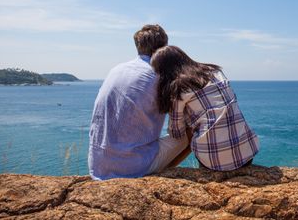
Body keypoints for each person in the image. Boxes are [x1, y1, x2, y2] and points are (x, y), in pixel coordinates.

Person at [88, 25, 190, 180]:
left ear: (138, 46)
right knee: (193, 129)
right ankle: (158, 174)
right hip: (132, 166)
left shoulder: (117, 69)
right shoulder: (161, 75)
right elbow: (177, 127)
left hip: (98, 164)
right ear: (165, 47)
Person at [151, 45, 259, 171]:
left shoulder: (178, 89)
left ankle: (164, 171)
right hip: (247, 152)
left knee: (191, 131)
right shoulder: (215, 72)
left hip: (214, 162)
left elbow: (176, 133)